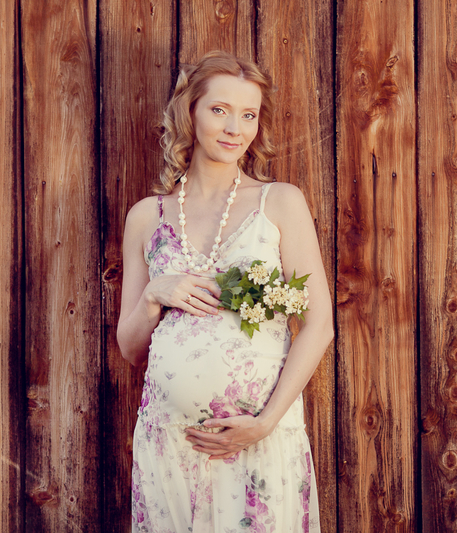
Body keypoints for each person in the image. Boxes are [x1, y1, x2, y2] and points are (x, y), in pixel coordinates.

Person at [117, 50, 333, 532]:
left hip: (258, 438)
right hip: (170, 443)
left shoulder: (279, 202)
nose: (236, 128)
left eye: (248, 114)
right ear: (189, 112)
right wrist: (154, 294)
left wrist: (265, 422)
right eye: (220, 110)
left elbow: (319, 324)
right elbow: (131, 349)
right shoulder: (146, 217)